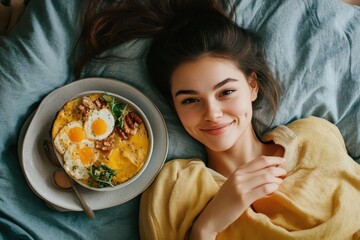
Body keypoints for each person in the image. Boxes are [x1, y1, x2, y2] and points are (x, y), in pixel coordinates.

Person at [77, 0, 360, 239]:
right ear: (175, 107)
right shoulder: (175, 186)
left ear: (252, 86)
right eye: (190, 100)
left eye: (225, 91)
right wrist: (207, 225)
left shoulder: (315, 137)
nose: (212, 113)